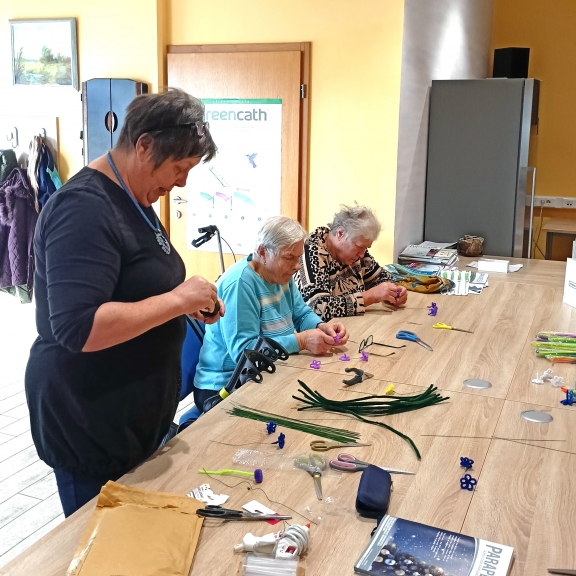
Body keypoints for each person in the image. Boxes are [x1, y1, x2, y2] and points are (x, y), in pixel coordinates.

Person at [25, 88, 223, 517]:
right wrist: (175, 300)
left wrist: (183, 304)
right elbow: (79, 327)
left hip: (132, 422)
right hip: (90, 421)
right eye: (178, 168)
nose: (181, 182)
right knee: (104, 544)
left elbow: (133, 286)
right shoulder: (82, 209)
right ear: (144, 145)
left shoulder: (135, 196)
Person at [192, 216, 348, 411]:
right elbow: (245, 353)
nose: (297, 266)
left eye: (298, 257)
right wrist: (300, 341)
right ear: (262, 252)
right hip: (225, 385)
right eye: (289, 257)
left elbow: (300, 314)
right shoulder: (240, 284)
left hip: (268, 370)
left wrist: (321, 326)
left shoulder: (280, 274)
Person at [294, 205, 407, 321]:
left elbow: (381, 278)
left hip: (352, 325)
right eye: (360, 246)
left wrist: (393, 292)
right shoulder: (311, 253)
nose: (362, 255)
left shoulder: (358, 253)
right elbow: (318, 309)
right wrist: (371, 296)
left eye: (365, 248)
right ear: (340, 234)